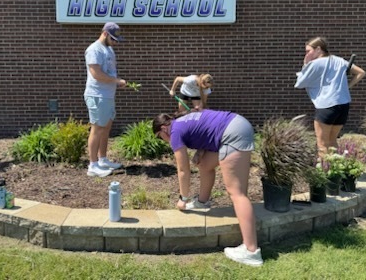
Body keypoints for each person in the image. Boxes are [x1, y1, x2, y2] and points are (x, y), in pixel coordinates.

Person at [152, 109, 263, 267]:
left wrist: (183, 199)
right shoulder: (182, 121)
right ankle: (202, 202)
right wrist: (201, 150)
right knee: (204, 163)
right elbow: (207, 127)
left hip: (232, 133)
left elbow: (183, 170)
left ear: (163, 129)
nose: (163, 140)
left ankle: (251, 251)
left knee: (237, 193)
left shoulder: (174, 133)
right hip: (237, 125)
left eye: (160, 137)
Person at [294, 36, 366, 159]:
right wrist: (347, 87)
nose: (306, 54)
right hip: (343, 104)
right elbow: (361, 72)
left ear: (318, 49)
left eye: (308, 51)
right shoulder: (339, 60)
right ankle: (337, 170)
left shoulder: (315, 64)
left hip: (326, 106)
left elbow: (300, 83)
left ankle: (326, 174)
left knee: (322, 144)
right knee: (332, 142)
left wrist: (305, 65)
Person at [84, 22, 126, 177]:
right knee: (97, 128)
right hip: (97, 95)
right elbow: (96, 74)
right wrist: (116, 81)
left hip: (107, 95)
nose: (115, 42)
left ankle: (102, 159)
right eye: (113, 39)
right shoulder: (94, 50)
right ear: (105, 34)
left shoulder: (108, 49)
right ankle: (93, 166)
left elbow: (109, 73)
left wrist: (116, 82)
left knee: (106, 127)